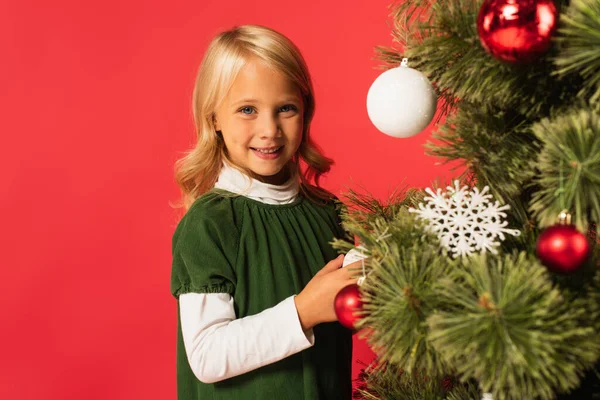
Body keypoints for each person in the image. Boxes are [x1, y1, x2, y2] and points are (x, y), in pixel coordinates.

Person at [170, 24, 361, 399]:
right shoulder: (212, 223)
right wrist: (303, 311)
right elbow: (207, 356)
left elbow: (341, 324)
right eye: (247, 110)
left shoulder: (328, 213)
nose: (269, 129)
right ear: (214, 120)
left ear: (305, 113)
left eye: (285, 108)